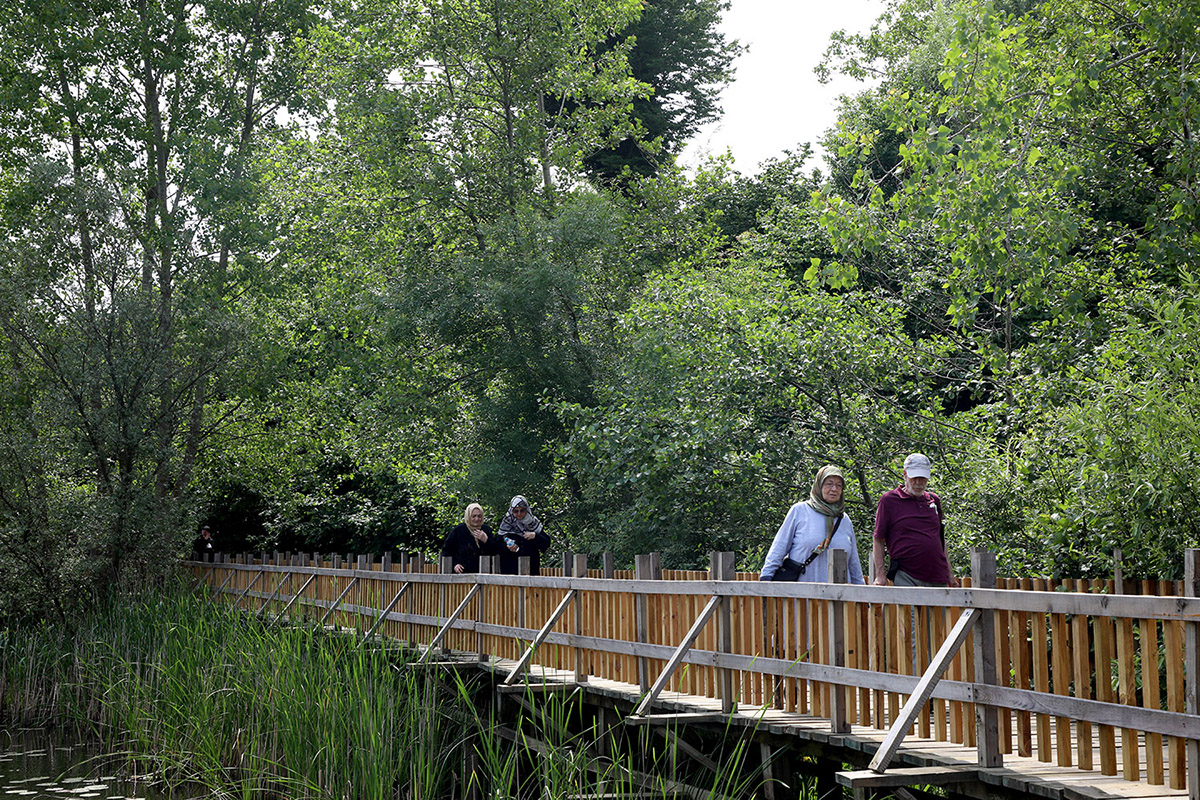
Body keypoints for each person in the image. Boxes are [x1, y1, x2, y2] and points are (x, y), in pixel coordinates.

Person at [760, 465, 865, 584]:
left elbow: (853, 562)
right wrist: (766, 577)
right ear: (819, 486)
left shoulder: (844, 519)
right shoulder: (800, 511)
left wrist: (861, 590)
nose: (834, 489)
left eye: (839, 485)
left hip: (838, 597)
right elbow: (779, 547)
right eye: (829, 484)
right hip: (802, 596)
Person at [872, 453, 958, 587]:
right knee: (907, 609)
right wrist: (880, 576)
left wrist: (950, 573)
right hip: (905, 575)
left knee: (937, 608)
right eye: (915, 478)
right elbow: (878, 539)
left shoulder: (933, 500)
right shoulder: (889, 501)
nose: (918, 483)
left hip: (937, 576)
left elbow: (940, 539)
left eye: (922, 478)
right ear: (905, 474)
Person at [496, 495, 551, 576]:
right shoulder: (506, 523)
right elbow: (496, 545)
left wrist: (535, 536)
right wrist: (507, 546)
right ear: (511, 511)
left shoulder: (533, 523)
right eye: (516, 511)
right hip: (510, 572)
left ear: (527, 510)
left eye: (522, 510)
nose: (519, 514)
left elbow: (546, 544)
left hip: (531, 571)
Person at [440, 503, 498, 574]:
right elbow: (446, 551)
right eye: (473, 516)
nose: (477, 519)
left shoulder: (486, 530)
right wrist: (454, 565)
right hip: (462, 574)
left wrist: (486, 540)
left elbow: (495, 551)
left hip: (484, 574)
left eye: (479, 516)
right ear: (468, 516)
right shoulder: (459, 530)